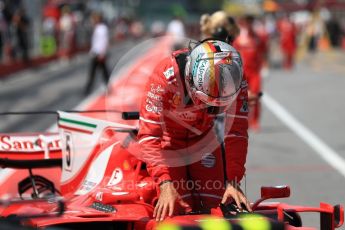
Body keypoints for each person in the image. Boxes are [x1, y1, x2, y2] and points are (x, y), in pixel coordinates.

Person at [138, 39, 251, 222]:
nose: (216, 110)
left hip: (205, 141)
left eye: (222, 105)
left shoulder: (237, 80)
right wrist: (165, 183)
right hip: (169, 144)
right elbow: (149, 135)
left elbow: (236, 133)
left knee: (218, 207)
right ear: (190, 81)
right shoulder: (167, 75)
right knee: (173, 211)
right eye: (209, 103)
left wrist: (233, 181)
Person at [233, 15, 265, 131]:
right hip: (243, 73)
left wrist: (266, 66)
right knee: (243, 98)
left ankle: (255, 121)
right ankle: (243, 120)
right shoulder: (238, 39)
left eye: (251, 22)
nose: (249, 24)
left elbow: (263, 52)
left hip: (255, 72)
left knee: (256, 96)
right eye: (246, 22)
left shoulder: (258, 38)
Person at [84, 12, 109, 95]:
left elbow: (103, 41)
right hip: (96, 53)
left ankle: (88, 89)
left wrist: (102, 53)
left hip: (99, 53)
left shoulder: (102, 28)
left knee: (96, 72)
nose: (92, 20)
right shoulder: (97, 28)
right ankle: (105, 86)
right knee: (103, 71)